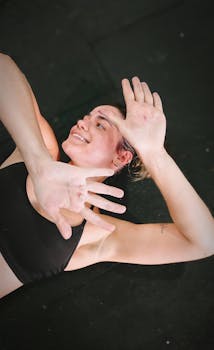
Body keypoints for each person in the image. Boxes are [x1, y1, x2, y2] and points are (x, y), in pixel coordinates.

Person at [0, 53, 213, 299]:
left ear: (121, 157)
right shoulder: (41, 150)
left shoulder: (99, 234)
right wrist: (39, 166)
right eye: (86, 117)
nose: (82, 123)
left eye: (100, 125)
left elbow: (203, 242)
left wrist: (154, 153)